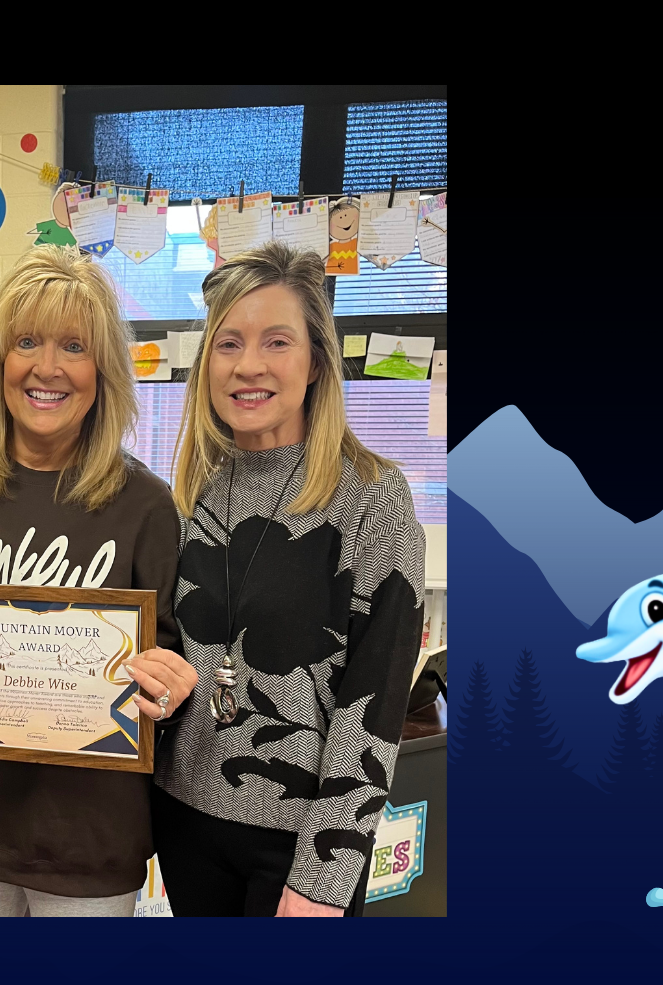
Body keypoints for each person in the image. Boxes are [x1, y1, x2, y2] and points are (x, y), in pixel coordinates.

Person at [0, 244, 198, 917]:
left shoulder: (146, 506)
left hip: (89, 845)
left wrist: (171, 686)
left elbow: (177, 667)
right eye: (26, 341)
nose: (47, 368)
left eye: (74, 346)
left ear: (102, 369)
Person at [148, 240, 426, 917]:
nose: (249, 366)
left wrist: (323, 879)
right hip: (185, 825)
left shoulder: (370, 498)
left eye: (277, 342)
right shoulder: (192, 493)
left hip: (300, 847)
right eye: (229, 343)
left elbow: (377, 707)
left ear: (316, 362)